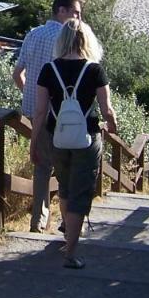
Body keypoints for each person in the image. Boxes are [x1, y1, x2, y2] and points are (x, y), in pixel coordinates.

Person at [31, 18, 118, 269]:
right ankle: (70, 252)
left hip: (56, 137)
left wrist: (34, 141)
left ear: (62, 41)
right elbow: (107, 109)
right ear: (87, 39)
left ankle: (67, 239)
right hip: (87, 137)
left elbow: (39, 112)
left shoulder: (49, 69)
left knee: (65, 187)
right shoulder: (95, 70)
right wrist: (111, 128)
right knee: (81, 191)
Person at [13, 0, 101, 234]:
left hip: (35, 112)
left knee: (42, 167)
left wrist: (30, 94)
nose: (79, 18)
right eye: (76, 13)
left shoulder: (33, 34)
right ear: (61, 11)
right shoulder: (70, 39)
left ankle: (38, 221)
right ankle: (69, 221)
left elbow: (17, 73)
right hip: (65, 117)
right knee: (69, 167)